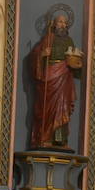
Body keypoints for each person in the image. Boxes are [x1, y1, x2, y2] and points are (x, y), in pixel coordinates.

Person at [28, 11, 83, 149]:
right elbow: (34, 57)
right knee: (47, 107)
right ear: (54, 24)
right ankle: (44, 137)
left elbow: (75, 61)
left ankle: (60, 139)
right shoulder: (48, 39)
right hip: (50, 76)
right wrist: (42, 54)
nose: (63, 25)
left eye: (65, 22)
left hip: (64, 77)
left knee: (62, 106)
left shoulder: (69, 41)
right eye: (60, 22)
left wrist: (76, 64)